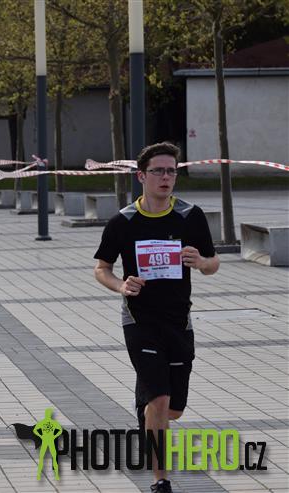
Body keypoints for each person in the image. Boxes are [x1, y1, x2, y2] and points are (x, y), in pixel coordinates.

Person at [93, 142, 219, 493]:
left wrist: (201, 262)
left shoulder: (190, 216)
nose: (166, 177)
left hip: (179, 321)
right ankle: (160, 479)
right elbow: (102, 268)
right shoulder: (123, 221)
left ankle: (145, 404)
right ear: (141, 176)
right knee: (160, 401)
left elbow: (213, 263)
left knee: (173, 409)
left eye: (171, 171)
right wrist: (121, 285)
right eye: (158, 171)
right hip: (139, 320)